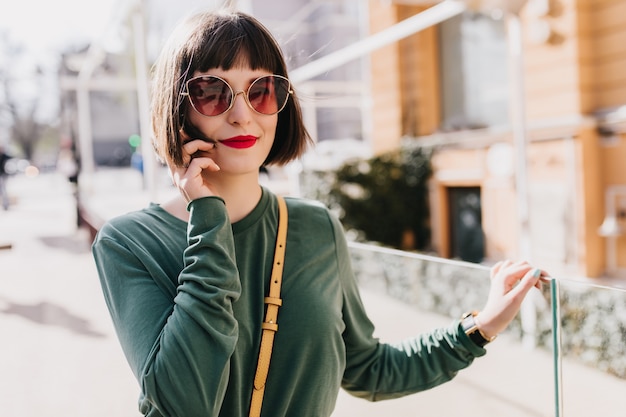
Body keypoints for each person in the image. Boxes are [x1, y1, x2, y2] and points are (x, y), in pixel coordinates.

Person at [92, 9, 546, 417]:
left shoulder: (315, 227)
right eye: (212, 92)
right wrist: (208, 218)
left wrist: (481, 326)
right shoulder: (129, 243)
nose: (242, 115)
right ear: (178, 108)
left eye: (262, 90)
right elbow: (181, 404)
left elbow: (368, 369)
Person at [0, 145, 11, 210]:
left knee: (3, 190)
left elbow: (11, 158)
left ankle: (5, 204)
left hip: (3, 175)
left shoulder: (4, 156)